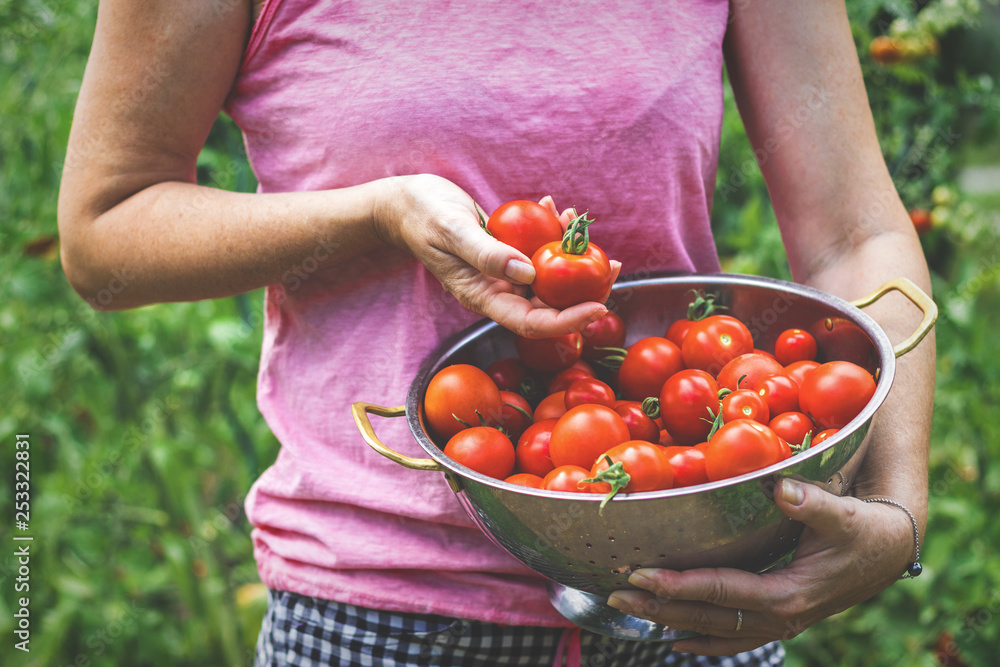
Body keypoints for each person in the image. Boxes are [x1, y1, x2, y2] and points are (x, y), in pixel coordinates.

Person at [58, 0, 935, 665]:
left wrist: (897, 510)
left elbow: (857, 238)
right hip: (378, 610)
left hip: (703, 584)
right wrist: (377, 212)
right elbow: (106, 231)